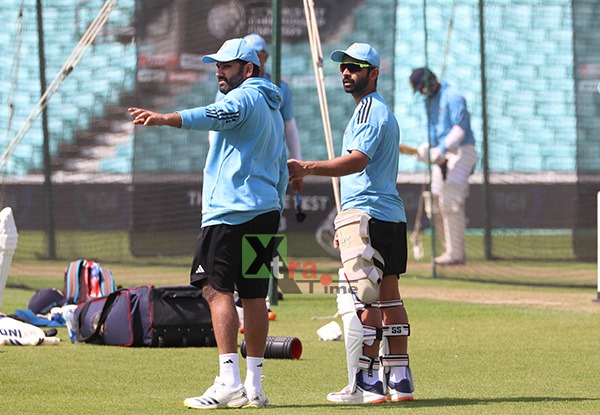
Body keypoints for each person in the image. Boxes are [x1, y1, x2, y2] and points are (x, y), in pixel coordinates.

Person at [128, 38, 287, 409]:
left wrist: (166, 118)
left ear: (248, 70)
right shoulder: (273, 106)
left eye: (227, 65)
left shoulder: (244, 98)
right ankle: (255, 385)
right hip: (264, 211)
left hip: (231, 212)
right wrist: (275, 205)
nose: (219, 71)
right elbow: (281, 163)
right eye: (217, 65)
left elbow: (213, 116)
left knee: (216, 291)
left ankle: (229, 381)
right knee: (254, 296)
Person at [288, 43, 414, 404]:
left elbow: (356, 161)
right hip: (390, 215)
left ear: (373, 73)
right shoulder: (379, 111)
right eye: (343, 66)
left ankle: (370, 384)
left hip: (366, 216)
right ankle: (400, 380)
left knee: (365, 301)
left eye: (355, 67)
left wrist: (307, 166)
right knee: (389, 296)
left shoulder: (367, 111)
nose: (346, 72)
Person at [211, 33, 304, 196]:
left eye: (257, 55)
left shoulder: (280, 87)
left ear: (265, 57)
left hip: (271, 165)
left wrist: (298, 160)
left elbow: (289, 127)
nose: (253, 59)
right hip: (240, 165)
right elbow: (214, 125)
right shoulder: (227, 88)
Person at [407, 67, 478, 265]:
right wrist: (428, 149)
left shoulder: (453, 96)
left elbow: (460, 128)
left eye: (423, 87)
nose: (422, 92)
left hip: (463, 152)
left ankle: (456, 255)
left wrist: (443, 147)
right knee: (436, 204)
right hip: (442, 155)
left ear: (432, 80)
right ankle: (450, 251)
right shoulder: (427, 102)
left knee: (450, 201)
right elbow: (431, 131)